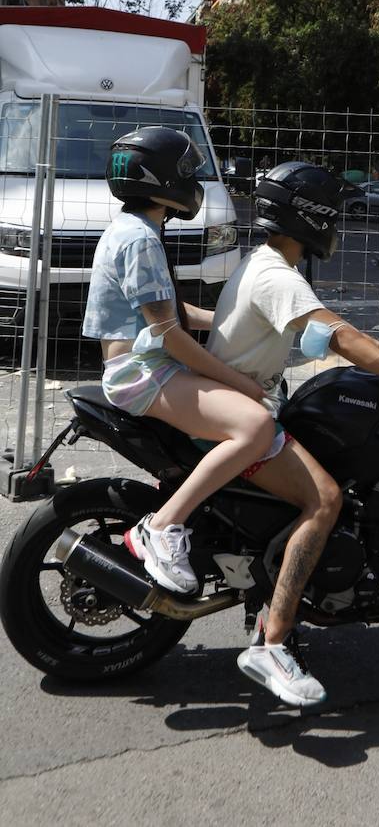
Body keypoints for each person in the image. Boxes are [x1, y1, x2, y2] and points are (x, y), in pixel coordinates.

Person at [205, 162, 379, 708]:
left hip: (246, 403)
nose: (339, 223)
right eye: (332, 213)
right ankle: (272, 645)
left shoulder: (266, 263)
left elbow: (316, 334)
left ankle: (275, 607)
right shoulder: (278, 275)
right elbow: (333, 333)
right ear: (310, 216)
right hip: (244, 415)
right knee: (325, 500)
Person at [83, 127, 281, 596]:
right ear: (164, 179)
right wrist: (242, 383)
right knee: (256, 425)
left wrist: (236, 323)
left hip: (146, 366)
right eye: (188, 173)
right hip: (143, 373)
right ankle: (163, 525)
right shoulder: (141, 241)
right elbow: (171, 336)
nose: (194, 182)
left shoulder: (134, 230)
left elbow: (171, 311)